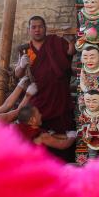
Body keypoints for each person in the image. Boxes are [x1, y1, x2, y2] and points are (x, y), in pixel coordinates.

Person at [15, 15, 75, 161]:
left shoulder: (55, 42)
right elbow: (18, 74)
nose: (37, 30)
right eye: (34, 27)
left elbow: (70, 52)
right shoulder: (25, 50)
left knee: (63, 130)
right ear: (29, 30)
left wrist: (70, 40)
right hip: (39, 99)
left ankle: (65, 162)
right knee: (38, 131)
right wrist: (21, 65)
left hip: (59, 96)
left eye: (40, 27)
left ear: (45, 28)